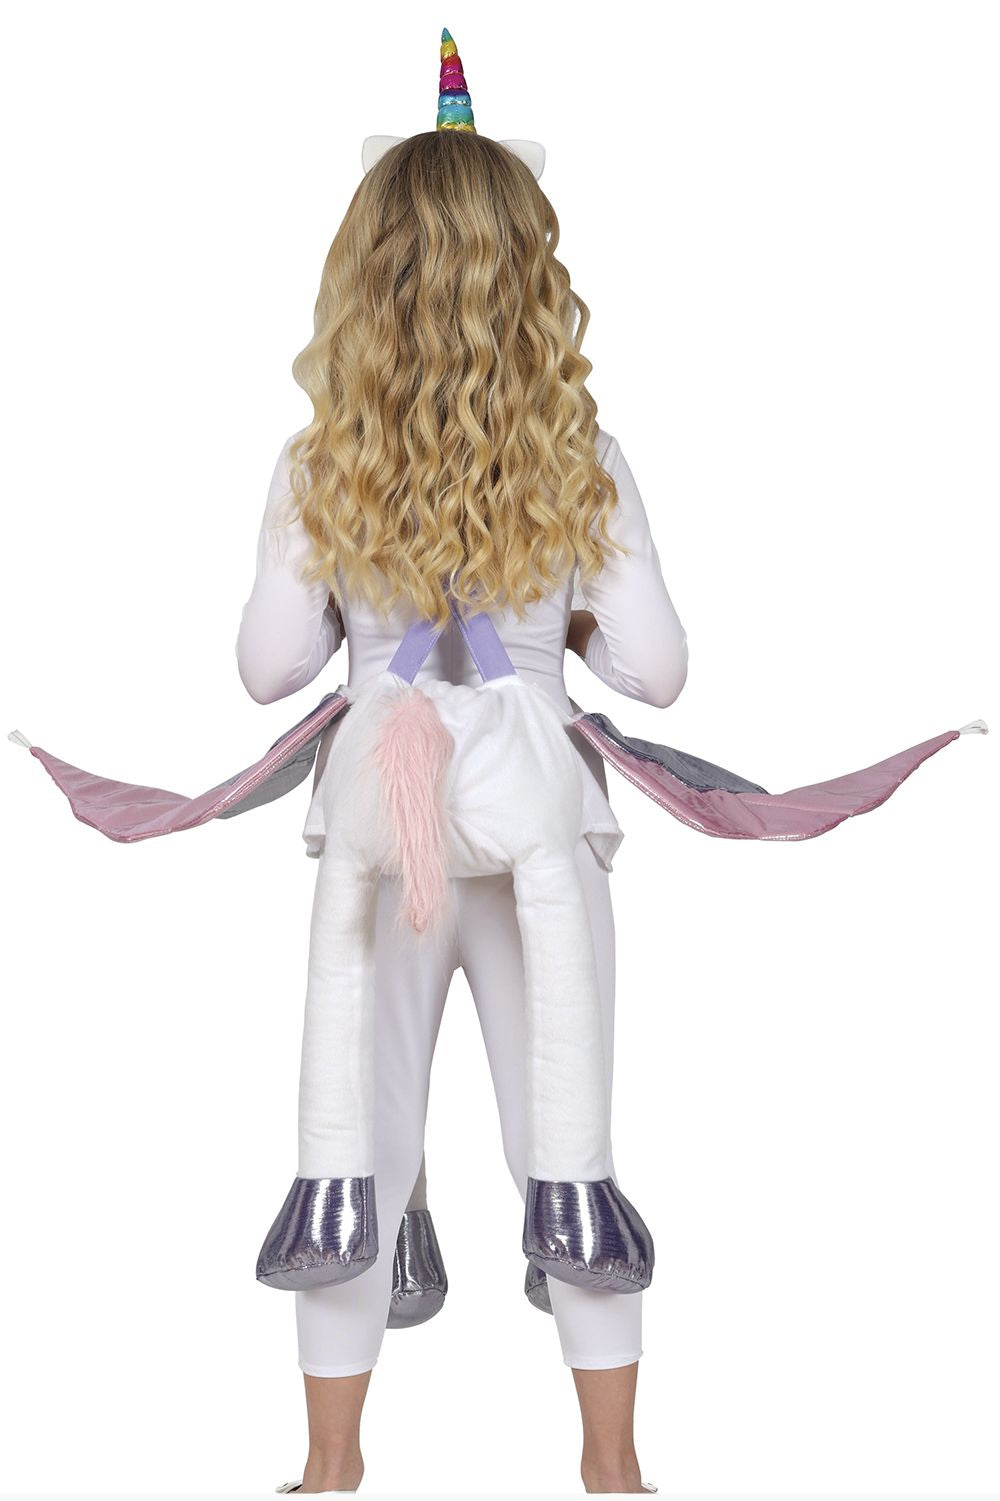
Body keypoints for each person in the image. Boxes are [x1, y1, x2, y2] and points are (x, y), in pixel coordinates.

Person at [235, 100, 687, 1498]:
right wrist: (564, 634)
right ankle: (614, 1469)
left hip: (385, 835)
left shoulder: (322, 465)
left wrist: (354, 615)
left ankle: (328, 1471)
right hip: (542, 823)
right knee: (566, 1126)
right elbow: (662, 672)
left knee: (355, 1133)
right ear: (532, 274)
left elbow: (267, 669)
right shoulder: (581, 459)